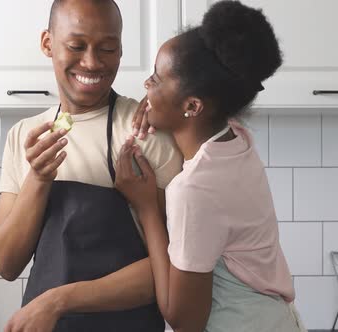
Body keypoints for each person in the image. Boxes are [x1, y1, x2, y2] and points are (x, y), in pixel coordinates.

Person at [115, 1, 306, 331]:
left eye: (156, 80)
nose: (146, 85)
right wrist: (164, 109)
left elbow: (184, 319)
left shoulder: (195, 189)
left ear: (192, 105)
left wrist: (146, 206)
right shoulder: (235, 138)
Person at [0, 0, 182, 331]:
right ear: (47, 44)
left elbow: (176, 269)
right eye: (76, 46)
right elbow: (6, 264)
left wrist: (58, 300)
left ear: (121, 49)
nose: (92, 62)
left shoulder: (147, 132)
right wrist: (38, 177)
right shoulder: (23, 137)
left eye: (107, 48)